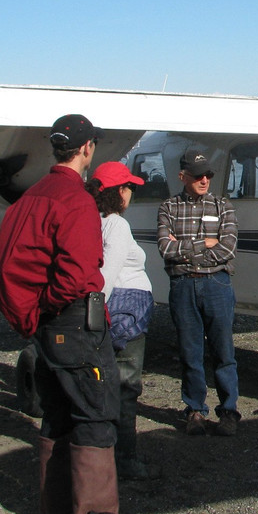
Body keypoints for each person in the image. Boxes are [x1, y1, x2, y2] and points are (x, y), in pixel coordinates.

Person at [0, 114, 143, 514]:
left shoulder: (32, 196)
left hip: (47, 325)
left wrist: (31, 315)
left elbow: (0, 268)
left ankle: (55, 508)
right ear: (88, 148)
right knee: (96, 412)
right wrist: (54, 306)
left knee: (56, 412)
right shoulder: (75, 200)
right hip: (75, 321)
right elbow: (78, 277)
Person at [157, 146, 241, 437]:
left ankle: (228, 411)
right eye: (197, 176)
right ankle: (195, 411)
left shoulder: (223, 206)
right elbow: (164, 249)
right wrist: (204, 244)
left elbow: (228, 247)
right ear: (183, 176)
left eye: (207, 175)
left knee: (223, 350)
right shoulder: (168, 207)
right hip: (183, 286)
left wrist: (185, 250)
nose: (204, 180)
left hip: (216, 284)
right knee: (190, 352)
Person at [87, 161, 157, 480]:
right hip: (125, 312)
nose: (131, 193)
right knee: (126, 387)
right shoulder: (116, 224)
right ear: (117, 192)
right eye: (127, 187)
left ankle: (106, 454)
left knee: (105, 386)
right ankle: (126, 459)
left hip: (113, 309)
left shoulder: (91, 220)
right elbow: (107, 275)